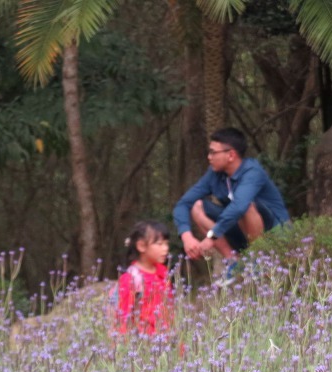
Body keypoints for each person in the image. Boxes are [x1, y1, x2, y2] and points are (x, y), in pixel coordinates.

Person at [172, 127, 290, 276]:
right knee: (197, 207)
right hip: (242, 230)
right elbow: (183, 204)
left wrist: (212, 236)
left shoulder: (252, 172)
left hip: (275, 233)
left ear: (231, 155)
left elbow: (239, 206)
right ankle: (234, 262)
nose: (209, 157)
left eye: (213, 152)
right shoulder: (215, 174)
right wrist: (186, 236)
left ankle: (258, 259)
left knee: (245, 205)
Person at [115, 220, 173, 336]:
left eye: (166, 244)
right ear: (141, 246)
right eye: (160, 244)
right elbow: (123, 318)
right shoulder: (131, 279)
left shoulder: (163, 273)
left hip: (167, 339)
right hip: (144, 343)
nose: (165, 249)